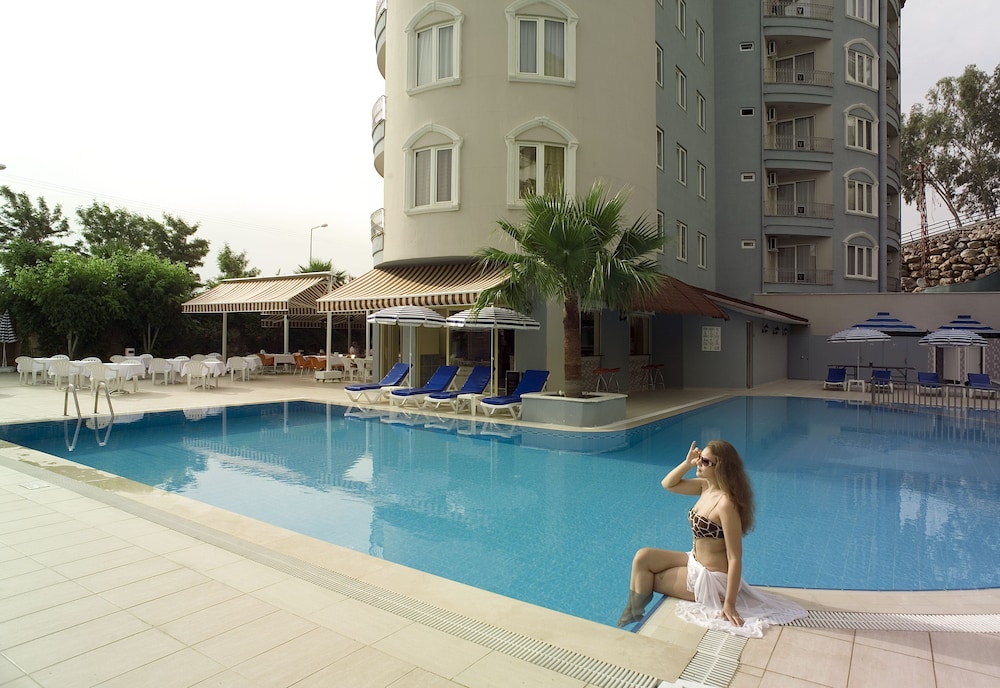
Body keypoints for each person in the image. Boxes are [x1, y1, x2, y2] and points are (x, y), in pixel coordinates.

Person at [617, 439, 806, 637]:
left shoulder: (726, 504)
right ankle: (632, 611)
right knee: (643, 556)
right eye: (700, 458)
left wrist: (729, 604)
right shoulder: (705, 487)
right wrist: (687, 462)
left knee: (652, 579)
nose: (699, 463)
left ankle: (632, 618)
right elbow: (667, 484)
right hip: (694, 559)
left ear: (721, 468)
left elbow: (735, 558)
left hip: (710, 577)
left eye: (705, 461)